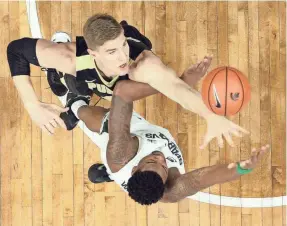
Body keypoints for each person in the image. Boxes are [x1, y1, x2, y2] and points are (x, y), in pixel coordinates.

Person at [7, 13, 247, 150]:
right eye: (112, 51)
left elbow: (176, 89)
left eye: (122, 44)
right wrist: (32, 105)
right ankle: (63, 76)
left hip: (128, 80)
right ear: (94, 53)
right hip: (87, 69)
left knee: (155, 83)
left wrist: (211, 115)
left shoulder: (138, 64)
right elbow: (16, 50)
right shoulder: (75, 59)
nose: (123, 56)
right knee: (69, 73)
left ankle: (123, 38)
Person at [71, 52, 269, 205]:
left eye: (151, 160)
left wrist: (173, 83)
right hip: (140, 144)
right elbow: (210, 177)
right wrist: (245, 168)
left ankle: (72, 105)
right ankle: (103, 172)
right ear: (166, 180)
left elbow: (122, 92)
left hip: (125, 140)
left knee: (91, 116)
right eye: (164, 166)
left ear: (134, 168)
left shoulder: (120, 153)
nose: (160, 157)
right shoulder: (175, 188)